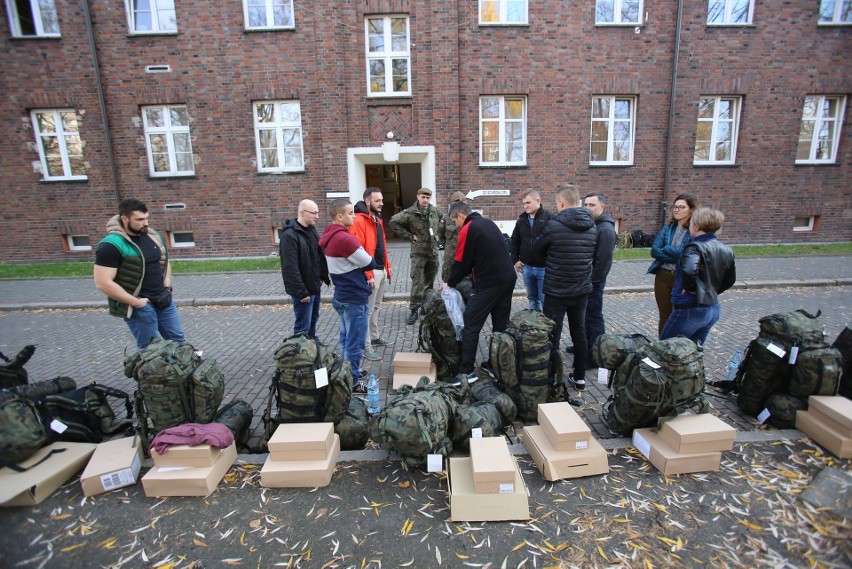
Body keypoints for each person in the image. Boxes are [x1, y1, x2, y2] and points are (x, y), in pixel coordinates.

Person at [94, 198, 185, 350]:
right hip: (140, 306)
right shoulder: (110, 245)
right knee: (150, 350)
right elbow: (103, 283)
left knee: (179, 342)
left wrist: (167, 286)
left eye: (147, 218)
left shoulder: (151, 235)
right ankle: (153, 374)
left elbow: (164, 260)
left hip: (163, 300)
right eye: (140, 219)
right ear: (124, 219)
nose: (146, 223)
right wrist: (136, 302)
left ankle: (183, 373)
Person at [443, 200, 517, 385]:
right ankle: (496, 366)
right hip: (508, 278)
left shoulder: (468, 229)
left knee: (470, 325)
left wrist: (449, 283)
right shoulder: (488, 222)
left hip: (490, 283)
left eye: (454, 221)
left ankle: (466, 372)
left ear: (460, 216)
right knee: (500, 325)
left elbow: (461, 263)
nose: (455, 225)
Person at [533, 185, 596, 391]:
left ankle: (551, 377)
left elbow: (537, 251)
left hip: (556, 291)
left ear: (561, 203)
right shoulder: (592, 225)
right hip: (581, 290)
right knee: (579, 332)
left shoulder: (553, 226)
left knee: (553, 334)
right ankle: (579, 377)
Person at [318, 199, 376, 392]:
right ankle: (351, 383)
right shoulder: (344, 239)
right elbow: (370, 262)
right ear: (340, 216)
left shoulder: (330, 235)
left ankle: (346, 372)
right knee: (355, 343)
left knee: (344, 339)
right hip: (354, 298)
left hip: (341, 296)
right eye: (351, 213)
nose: (354, 216)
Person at [660, 208, 736, 345]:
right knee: (693, 353)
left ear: (696, 226)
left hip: (689, 309)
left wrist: (692, 288)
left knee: (665, 351)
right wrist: (709, 291)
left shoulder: (694, 248)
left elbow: (689, 270)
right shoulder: (726, 249)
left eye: (691, 223)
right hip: (712, 308)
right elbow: (730, 280)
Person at [565, 192, 616, 363]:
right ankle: (583, 346)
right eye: (585, 205)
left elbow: (603, 262)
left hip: (593, 283)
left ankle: (594, 355)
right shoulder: (592, 224)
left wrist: (592, 282)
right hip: (585, 281)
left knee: (593, 317)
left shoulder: (606, 229)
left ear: (602, 207)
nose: (587, 208)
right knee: (583, 317)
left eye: (592, 205)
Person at [389, 187, 445, 325]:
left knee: (430, 282)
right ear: (418, 197)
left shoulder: (435, 211)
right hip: (419, 253)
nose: (425, 200)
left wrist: (441, 237)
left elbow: (446, 222)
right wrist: (408, 236)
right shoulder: (410, 213)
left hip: (433, 253)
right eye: (423, 197)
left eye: (427, 198)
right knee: (418, 282)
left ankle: (426, 307)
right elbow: (393, 222)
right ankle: (414, 309)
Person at [350, 187, 393, 361]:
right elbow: (359, 250)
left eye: (381, 200)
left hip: (380, 269)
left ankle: (374, 337)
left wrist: (387, 266)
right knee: (366, 310)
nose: (381, 203)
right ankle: (365, 346)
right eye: (378, 201)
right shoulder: (359, 220)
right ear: (368, 202)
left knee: (376, 307)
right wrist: (368, 274)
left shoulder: (377, 219)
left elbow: (382, 244)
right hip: (371, 271)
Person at [648, 194, 698, 337]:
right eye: (675, 207)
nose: (676, 210)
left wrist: (667, 249)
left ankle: (677, 347)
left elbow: (685, 254)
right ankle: (663, 346)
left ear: (691, 209)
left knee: (679, 314)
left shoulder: (693, 230)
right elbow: (655, 250)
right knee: (664, 314)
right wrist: (673, 255)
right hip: (662, 275)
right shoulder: (668, 228)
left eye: (681, 207)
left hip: (681, 276)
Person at [279, 199, 329, 338]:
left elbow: (317, 256)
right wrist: (301, 292)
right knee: (303, 326)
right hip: (303, 291)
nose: (317, 216)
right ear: (302, 212)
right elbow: (290, 267)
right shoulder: (289, 235)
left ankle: (311, 349)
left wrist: (321, 278)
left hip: (314, 286)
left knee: (312, 321)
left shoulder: (311, 230)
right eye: (314, 213)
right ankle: (300, 354)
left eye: (317, 213)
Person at [510, 189, 553, 311]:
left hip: (545, 268)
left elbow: (555, 242)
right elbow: (515, 241)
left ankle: (546, 326)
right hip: (527, 268)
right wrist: (515, 260)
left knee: (545, 299)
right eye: (524, 203)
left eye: (528, 202)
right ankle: (534, 324)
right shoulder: (522, 220)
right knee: (532, 298)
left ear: (538, 201)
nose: (525, 206)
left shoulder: (549, 218)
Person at [438, 191, 468, 283]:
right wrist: (447, 246)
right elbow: (441, 234)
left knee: (466, 275)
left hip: (466, 252)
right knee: (448, 276)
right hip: (450, 254)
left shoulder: (470, 217)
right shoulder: (446, 218)